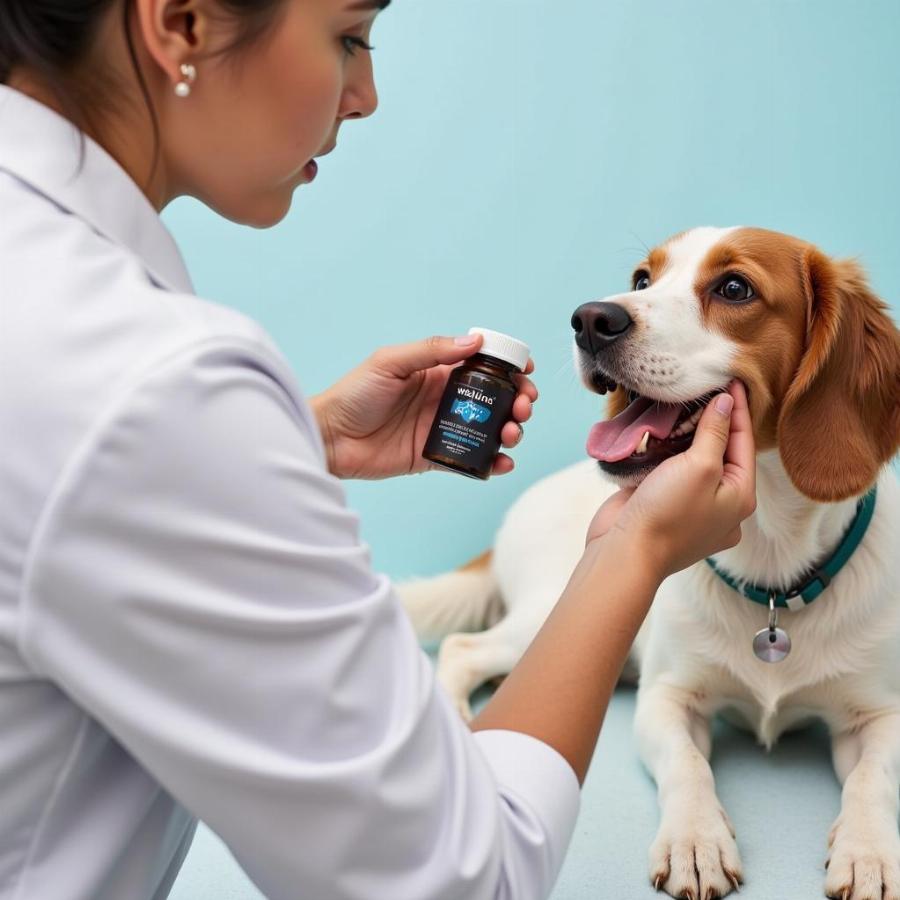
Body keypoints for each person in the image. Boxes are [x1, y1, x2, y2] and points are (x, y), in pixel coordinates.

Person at [0, 2, 756, 898]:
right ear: (183, 23)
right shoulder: (151, 382)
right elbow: (460, 880)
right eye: (349, 37)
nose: (365, 95)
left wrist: (286, 444)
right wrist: (631, 553)